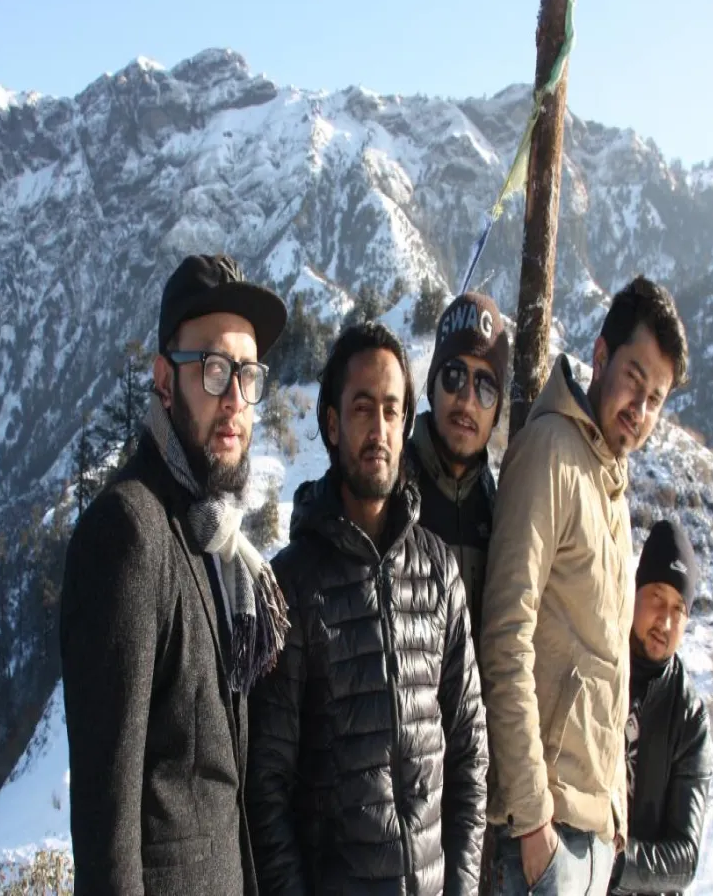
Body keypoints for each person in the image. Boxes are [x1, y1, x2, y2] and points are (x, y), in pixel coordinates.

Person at [60, 254, 290, 896]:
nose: (236, 402)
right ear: (165, 380)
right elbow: (108, 824)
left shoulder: (211, 534)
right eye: (215, 371)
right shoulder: (130, 532)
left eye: (248, 375)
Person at [246, 321, 488, 896]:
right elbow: (266, 786)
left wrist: (462, 884)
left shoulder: (438, 572)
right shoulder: (291, 587)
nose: (378, 429)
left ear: (406, 422)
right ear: (331, 424)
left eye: (391, 410)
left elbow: (469, 750)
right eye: (362, 408)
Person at [481, 276, 690, 896]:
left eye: (656, 398)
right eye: (634, 380)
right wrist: (533, 822)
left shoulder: (610, 482)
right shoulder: (550, 453)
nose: (641, 409)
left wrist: (617, 814)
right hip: (543, 840)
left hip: (590, 837)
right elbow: (505, 637)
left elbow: (604, 662)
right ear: (600, 357)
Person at [608, 520, 712, 896]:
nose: (665, 621)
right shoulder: (598, 669)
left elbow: (684, 858)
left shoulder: (689, 716)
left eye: (678, 608)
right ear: (635, 591)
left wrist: (611, 861)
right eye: (656, 597)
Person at [406, 291, 508, 647]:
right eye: (452, 376)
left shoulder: (501, 512)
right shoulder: (389, 488)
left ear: (497, 411)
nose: (466, 400)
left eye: (485, 387)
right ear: (431, 387)